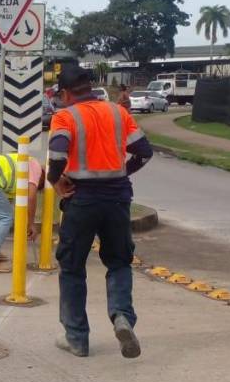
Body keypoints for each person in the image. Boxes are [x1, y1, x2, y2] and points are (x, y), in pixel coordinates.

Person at [47, 67, 153, 359]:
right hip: (118, 199)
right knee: (119, 262)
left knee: (72, 267)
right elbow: (144, 151)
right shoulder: (119, 113)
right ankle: (121, 317)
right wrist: (121, 172)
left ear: (66, 94)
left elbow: (57, 152)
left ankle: (77, 338)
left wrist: (55, 180)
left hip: (81, 199)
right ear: (90, 88)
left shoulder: (65, 116)